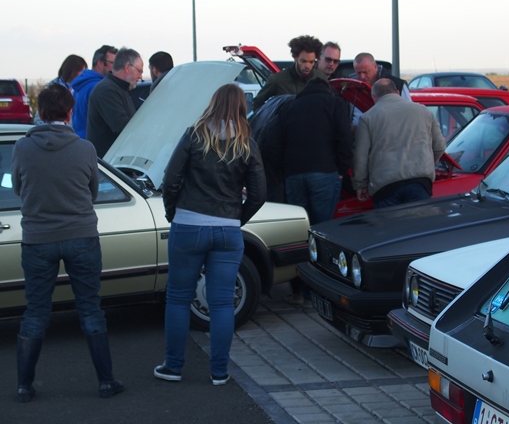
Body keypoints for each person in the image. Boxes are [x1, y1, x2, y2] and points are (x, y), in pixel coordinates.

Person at [11, 83, 124, 402]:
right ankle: (106, 381)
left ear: (40, 112)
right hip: (81, 236)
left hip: (37, 238)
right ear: (70, 113)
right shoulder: (85, 148)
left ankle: (24, 385)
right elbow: (92, 193)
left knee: (35, 311)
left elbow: (19, 188)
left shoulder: (22, 147)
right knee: (90, 307)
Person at [155, 83, 266, 386]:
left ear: (213, 103)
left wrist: (172, 213)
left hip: (188, 224)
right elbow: (259, 193)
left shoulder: (194, 135)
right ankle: (219, 372)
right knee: (221, 304)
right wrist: (237, 219)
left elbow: (171, 179)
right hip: (228, 230)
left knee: (178, 298)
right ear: (242, 107)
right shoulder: (247, 143)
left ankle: (173, 366)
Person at [263, 77, 352, 305]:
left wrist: (283, 172)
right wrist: (342, 169)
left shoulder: (289, 107)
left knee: (300, 235)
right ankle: (322, 293)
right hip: (325, 174)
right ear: (327, 89)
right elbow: (345, 138)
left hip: (294, 177)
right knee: (322, 235)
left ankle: (300, 291)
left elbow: (271, 143)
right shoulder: (335, 104)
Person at [352, 79, 446, 209]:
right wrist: (427, 164)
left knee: (390, 228)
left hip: (385, 187)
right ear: (397, 92)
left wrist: (360, 185)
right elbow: (440, 146)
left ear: (374, 97)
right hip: (419, 183)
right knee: (418, 227)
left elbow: (360, 157)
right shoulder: (423, 111)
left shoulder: (368, 117)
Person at [86, 47, 142, 158]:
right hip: (107, 167)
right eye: (139, 71)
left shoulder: (119, 88)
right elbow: (123, 127)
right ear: (127, 68)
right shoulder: (107, 90)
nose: (140, 76)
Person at [251, 35, 327, 112]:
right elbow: (257, 103)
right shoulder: (278, 80)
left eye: (311, 62)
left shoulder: (321, 78)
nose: (308, 66)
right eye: (303, 61)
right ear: (295, 57)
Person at [71, 45, 118, 138]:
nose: (117, 68)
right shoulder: (99, 88)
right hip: (94, 146)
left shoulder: (81, 85)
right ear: (100, 63)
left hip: (79, 141)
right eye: (114, 63)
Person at [33, 54, 88, 125]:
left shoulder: (83, 89)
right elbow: (38, 118)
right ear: (71, 70)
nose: (84, 74)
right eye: (82, 71)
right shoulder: (51, 89)